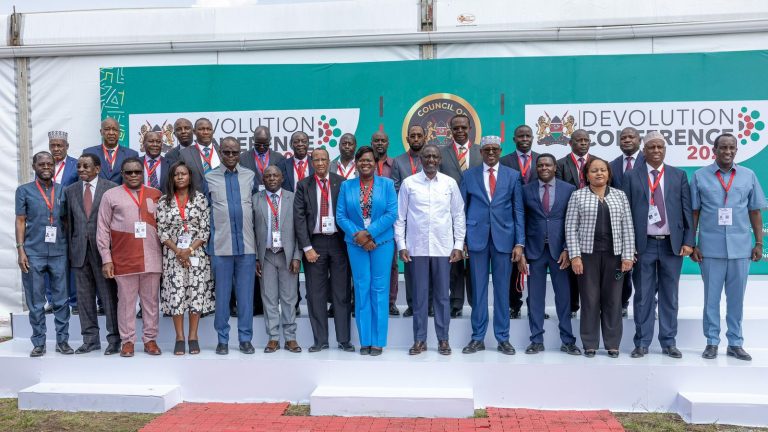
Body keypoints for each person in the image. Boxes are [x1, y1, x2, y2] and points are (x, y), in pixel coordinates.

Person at [690, 133, 766, 361]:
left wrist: (759, 243)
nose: (727, 151)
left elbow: (755, 211)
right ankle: (712, 342)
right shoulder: (700, 176)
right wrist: (692, 244)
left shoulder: (748, 175)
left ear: (736, 150)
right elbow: (695, 212)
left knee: (736, 300)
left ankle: (735, 342)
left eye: (731, 147)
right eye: (723, 147)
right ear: (714, 150)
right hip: (710, 249)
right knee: (711, 299)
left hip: (741, 248)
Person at [623, 131, 693, 359]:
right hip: (643, 246)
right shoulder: (631, 176)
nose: (655, 151)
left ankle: (669, 342)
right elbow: (625, 213)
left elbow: (686, 210)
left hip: (672, 246)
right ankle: (642, 343)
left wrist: (689, 241)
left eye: (659, 147)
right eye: (651, 147)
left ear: (665, 150)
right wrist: (628, 246)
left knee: (669, 296)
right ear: (643, 151)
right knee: (643, 296)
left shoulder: (678, 175)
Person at [395, 144, 465, 355]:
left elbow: (458, 216)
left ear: (440, 160)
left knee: (443, 296)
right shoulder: (409, 183)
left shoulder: (450, 183)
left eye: (435, 156)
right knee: (420, 296)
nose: (431, 160)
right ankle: (419, 340)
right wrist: (402, 245)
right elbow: (400, 217)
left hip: (443, 248)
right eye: (427, 156)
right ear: (421, 159)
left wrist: (458, 245)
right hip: (416, 249)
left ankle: (443, 339)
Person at [460, 136, 524, 355]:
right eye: (486, 149)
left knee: (502, 291)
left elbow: (518, 210)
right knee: (478, 290)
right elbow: (461, 210)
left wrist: (519, 242)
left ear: (500, 151)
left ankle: (503, 338)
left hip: (504, 239)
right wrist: (461, 241)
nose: (490, 153)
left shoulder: (512, 175)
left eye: (494, 149)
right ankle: (477, 337)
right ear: (480, 152)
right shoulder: (469, 175)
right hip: (476, 238)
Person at [565, 157, 634, 358]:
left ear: (608, 174)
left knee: (613, 300)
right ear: (587, 175)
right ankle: (590, 343)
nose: (599, 173)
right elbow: (570, 227)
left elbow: (628, 227)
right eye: (594, 170)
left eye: (603, 170)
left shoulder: (620, 196)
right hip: (587, 257)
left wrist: (628, 256)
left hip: (615, 256)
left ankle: (612, 344)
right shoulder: (578, 196)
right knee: (589, 299)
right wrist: (575, 256)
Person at [96, 157, 163, 357]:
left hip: (151, 257)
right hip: (123, 258)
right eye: (129, 172)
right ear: (122, 174)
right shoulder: (110, 196)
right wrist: (106, 258)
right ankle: (127, 341)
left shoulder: (156, 194)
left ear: (143, 173)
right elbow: (102, 228)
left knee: (151, 303)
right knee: (126, 303)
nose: (133, 175)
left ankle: (150, 340)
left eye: (137, 172)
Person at [517, 153, 581, 355]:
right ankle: (536, 340)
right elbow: (521, 219)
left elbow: (574, 221)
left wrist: (568, 248)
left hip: (560, 252)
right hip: (534, 251)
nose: (544, 168)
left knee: (564, 298)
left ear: (555, 168)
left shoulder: (569, 189)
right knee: (535, 298)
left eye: (548, 165)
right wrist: (522, 250)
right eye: (540, 165)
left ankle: (568, 340)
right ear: (536, 168)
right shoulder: (526, 190)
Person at [337, 145, 398, 356]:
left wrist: (369, 234)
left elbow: (391, 213)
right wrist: (360, 237)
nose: (365, 163)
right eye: (362, 160)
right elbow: (341, 216)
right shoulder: (347, 186)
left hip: (382, 243)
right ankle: (365, 340)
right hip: (356, 245)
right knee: (362, 289)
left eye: (369, 160)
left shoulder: (387, 184)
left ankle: (378, 341)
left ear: (375, 163)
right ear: (356, 163)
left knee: (379, 289)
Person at [294, 148, 353, 352]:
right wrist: (306, 247)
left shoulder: (342, 183)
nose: (320, 163)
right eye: (316, 160)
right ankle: (320, 340)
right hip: (314, 244)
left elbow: (348, 212)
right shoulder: (303, 185)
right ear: (312, 163)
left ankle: (344, 340)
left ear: (329, 161)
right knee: (315, 294)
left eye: (323, 159)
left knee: (341, 293)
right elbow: (299, 218)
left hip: (339, 243)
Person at [15, 151, 72, 357]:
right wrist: (21, 249)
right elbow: (20, 220)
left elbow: (66, 221)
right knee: (36, 301)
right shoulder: (24, 191)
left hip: (59, 252)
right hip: (33, 252)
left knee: (61, 300)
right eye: (42, 164)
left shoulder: (63, 190)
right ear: (34, 167)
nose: (46, 167)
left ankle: (62, 341)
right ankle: (39, 342)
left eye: (50, 164)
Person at [205, 137, 257, 355]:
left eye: (235, 152)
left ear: (240, 152)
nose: (230, 156)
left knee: (245, 298)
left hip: (247, 246)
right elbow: (205, 211)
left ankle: (245, 339)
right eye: (226, 152)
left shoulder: (250, 176)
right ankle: (222, 339)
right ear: (220, 152)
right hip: (221, 247)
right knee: (222, 297)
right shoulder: (209, 177)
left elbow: (256, 209)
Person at [65, 153, 120, 355]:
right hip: (79, 252)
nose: (81, 169)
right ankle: (90, 340)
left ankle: (114, 339)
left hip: (104, 253)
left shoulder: (111, 188)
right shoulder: (70, 191)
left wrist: (112, 252)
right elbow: (69, 223)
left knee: (109, 298)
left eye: (86, 166)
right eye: (79, 166)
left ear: (97, 168)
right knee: (84, 299)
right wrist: (70, 251)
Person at [157, 161, 214, 356]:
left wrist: (189, 250)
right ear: (171, 178)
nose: (180, 177)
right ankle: (179, 338)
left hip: (196, 255)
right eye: (176, 174)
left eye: (183, 174)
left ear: (190, 177)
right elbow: (161, 230)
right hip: (173, 256)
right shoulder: (163, 201)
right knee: (177, 295)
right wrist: (178, 251)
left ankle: (193, 337)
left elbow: (205, 229)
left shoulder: (200, 199)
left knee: (196, 294)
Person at [254, 166, 302, 353]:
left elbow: (300, 229)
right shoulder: (255, 199)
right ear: (263, 180)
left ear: (282, 178)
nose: (272, 178)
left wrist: (297, 256)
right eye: (268, 176)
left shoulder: (292, 197)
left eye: (275, 175)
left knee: (289, 298)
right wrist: (255, 258)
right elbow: (251, 230)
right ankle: (273, 337)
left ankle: (290, 338)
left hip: (287, 255)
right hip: (265, 255)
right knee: (269, 298)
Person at [439, 114, 481, 317]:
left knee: (475, 263)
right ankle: (455, 304)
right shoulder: (441, 153)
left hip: (477, 216)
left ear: (470, 128)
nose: (460, 131)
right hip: (450, 216)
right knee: (454, 260)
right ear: (451, 130)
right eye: (456, 128)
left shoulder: (482, 152)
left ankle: (475, 304)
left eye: (463, 127)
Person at [499, 125, 539, 319]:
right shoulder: (503, 161)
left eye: (527, 136)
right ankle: (514, 305)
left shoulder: (542, 160)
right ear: (514, 139)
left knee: (536, 265)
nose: (524, 139)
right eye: (520, 136)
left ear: (532, 138)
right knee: (513, 261)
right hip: (511, 218)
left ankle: (535, 306)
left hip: (537, 219)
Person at [391, 124, 431, 318]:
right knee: (410, 265)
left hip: (430, 218)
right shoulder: (398, 162)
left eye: (419, 135)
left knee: (431, 265)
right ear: (407, 139)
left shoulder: (432, 158)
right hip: (408, 219)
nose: (416, 139)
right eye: (412, 136)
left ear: (425, 137)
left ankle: (429, 304)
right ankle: (412, 304)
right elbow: (396, 188)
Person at [610, 127, 645, 317]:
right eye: (623, 137)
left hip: (645, 225)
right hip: (618, 226)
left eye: (631, 137)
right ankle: (622, 303)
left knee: (646, 270)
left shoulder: (649, 162)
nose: (627, 140)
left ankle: (649, 305)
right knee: (620, 267)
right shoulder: (612, 165)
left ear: (639, 140)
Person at [556, 128, 592, 317]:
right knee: (571, 265)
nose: (583, 143)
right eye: (579, 140)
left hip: (592, 221)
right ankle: (572, 307)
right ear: (570, 143)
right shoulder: (560, 164)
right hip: (567, 219)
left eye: (586, 140)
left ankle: (591, 307)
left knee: (590, 267)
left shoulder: (598, 163)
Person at [369, 131, 401, 317]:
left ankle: (390, 301)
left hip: (390, 221)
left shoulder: (395, 164)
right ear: (371, 143)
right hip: (367, 222)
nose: (379, 143)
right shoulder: (365, 163)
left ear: (388, 143)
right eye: (376, 141)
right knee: (367, 264)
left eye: (383, 140)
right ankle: (367, 299)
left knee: (392, 263)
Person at [47, 130, 79, 314]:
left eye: (60, 145)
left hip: (70, 220)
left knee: (72, 260)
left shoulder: (76, 165)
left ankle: (74, 301)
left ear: (67, 146)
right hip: (48, 222)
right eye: (53, 145)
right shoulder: (44, 164)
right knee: (49, 260)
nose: (56, 149)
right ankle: (53, 300)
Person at [82, 117, 139, 185]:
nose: (111, 133)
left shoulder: (131, 155)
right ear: (101, 132)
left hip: (121, 192)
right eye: (107, 129)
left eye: (115, 130)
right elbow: (83, 180)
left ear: (119, 133)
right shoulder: (89, 153)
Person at [180, 118, 221, 192]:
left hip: (220, 197)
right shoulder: (184, 154)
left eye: (209, 129)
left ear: (213, 131)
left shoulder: (222, 151)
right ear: (194, 132)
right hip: (196, 197)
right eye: (201, 129)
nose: (205, 132)